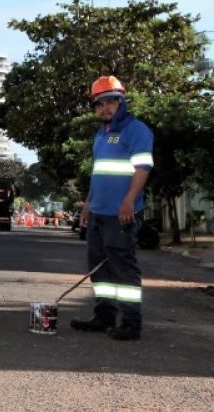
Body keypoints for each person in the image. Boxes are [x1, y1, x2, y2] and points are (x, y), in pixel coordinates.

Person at [71, 75, 154, 341]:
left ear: (121, 102)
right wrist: (87, 205)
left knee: (123, 267)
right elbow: (99, 173)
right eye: (99, 104)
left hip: (121, 213)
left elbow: (142, 169)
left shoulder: (136, 130)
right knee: (99, 267)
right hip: (98, 213)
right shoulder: (101, 135)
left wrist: (129, 200)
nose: (104, 108)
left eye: (110, 102)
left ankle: (131, 323)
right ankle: (104, 316)